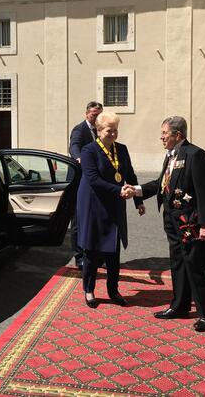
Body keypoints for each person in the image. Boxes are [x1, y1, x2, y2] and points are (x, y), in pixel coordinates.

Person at [129, 115, 205, 332]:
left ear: (177, 134)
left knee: (195, 265)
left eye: (164, 133)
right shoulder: (170, 156)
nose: (161, 137)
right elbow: (161, 184)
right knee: (178, 263)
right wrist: (136, 190)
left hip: (190, 223)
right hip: (171, 220)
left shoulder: (195, 155)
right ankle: (179, 305)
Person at [77, 111, 144, 308]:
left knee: (113, 250)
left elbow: (130, 175)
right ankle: (89, 289)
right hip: (93, 204)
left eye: (116, 130)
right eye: (109, 130)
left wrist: (138, 200)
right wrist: (119, 189)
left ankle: (113, 290)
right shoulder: (88, 151)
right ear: (98, 131)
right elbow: (93, 179)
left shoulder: (121, 150)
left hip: (115, 202)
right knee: (92, 250)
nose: (113, 134)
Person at [69, 101, 103, 269]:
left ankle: (96, 254)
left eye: (99, 115)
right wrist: (79, 158)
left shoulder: (102, 130)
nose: (96, 117)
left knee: (96, 218)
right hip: (80, 179)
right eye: (93, 115)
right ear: (87, 114)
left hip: (97, 181)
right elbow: (74, 146)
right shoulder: (80, 129)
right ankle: (79, 257)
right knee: (78, 220)